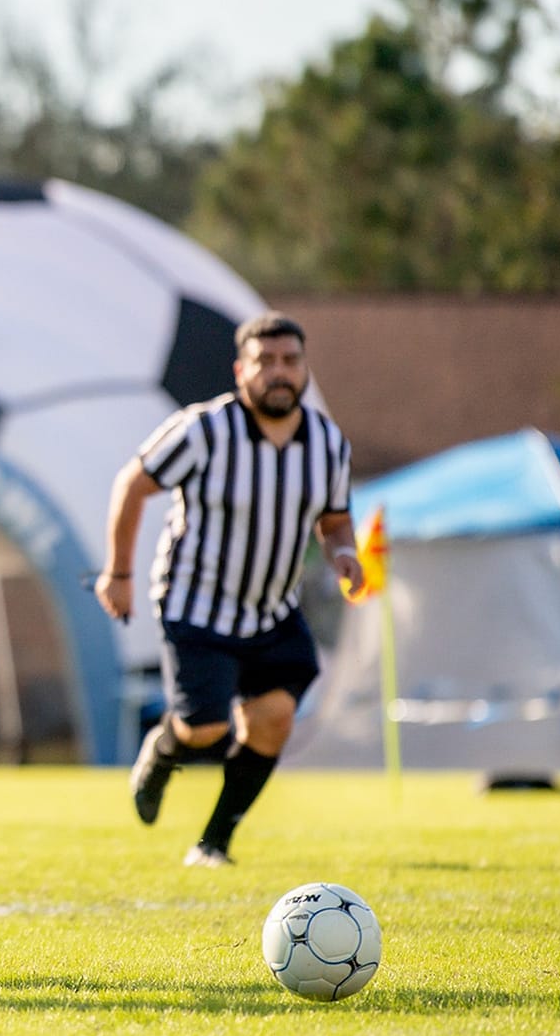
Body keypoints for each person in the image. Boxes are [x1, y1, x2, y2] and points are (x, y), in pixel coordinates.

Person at [96, 311, 364, 868]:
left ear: (305, 367)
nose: (279, 373)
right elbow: (132, 484)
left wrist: (345, 553)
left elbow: (334, 519)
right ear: (241, 370)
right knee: (207, 727)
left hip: (270, 610)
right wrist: (118, 574)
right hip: (196, 601)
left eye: (290, 361)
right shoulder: (202, 430)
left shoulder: (328, 444)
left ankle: (214, 842)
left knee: (274, 720)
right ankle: (163, 749)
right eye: (265, 362)